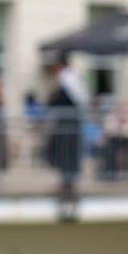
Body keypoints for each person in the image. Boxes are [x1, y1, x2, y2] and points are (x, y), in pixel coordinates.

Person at [45, 52, 87, 192]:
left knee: (66, 150)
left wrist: (50, 103)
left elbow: (64, 99)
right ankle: (67, 180)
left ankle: (67, 181)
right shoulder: (71, 77)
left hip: (68, 121)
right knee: (66, 150)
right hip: (69, 120)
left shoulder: (67, 77)